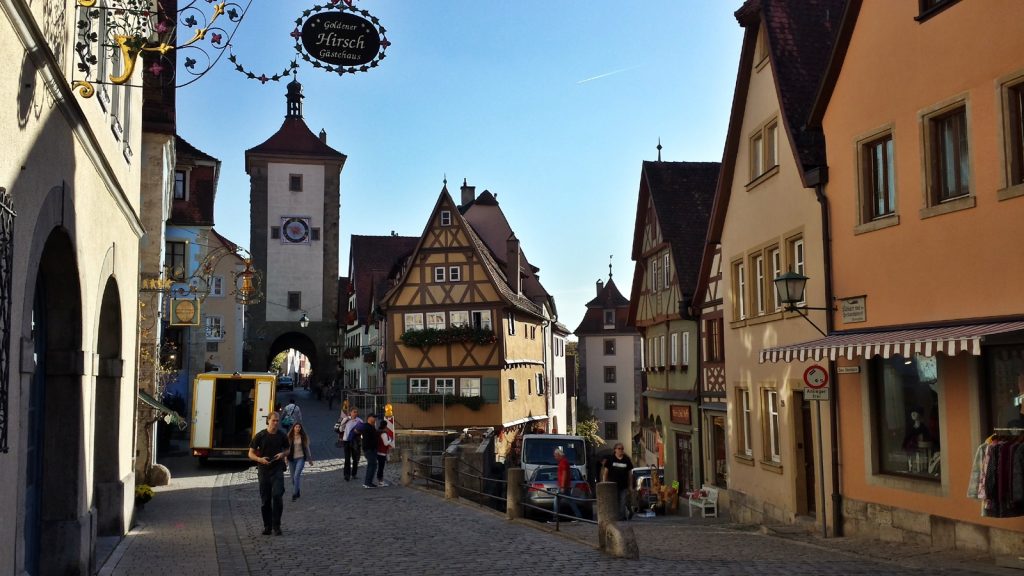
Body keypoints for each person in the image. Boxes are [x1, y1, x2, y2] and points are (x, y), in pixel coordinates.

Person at [248, 412, 289, 535]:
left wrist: (283, 454)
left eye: (277, 421)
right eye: (273, 420)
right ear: (268, 421)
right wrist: (259, 459)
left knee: (277, 496)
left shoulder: (282, 435)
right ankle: (267, 526)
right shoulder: (260, 436)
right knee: (265, 500)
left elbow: (288, 449)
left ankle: (277, 525)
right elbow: (250, 453)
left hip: (277, 469)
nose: (276, 423)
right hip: (264, 470)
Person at [601, 443, 634, 520]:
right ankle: (618, 515)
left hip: (624, 485)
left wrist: (630, 486)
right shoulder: (610, 459)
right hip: (613, 485)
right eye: (619, 449)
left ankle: (621, 517)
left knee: (623, 501)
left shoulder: (626, 459)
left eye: (622, 449)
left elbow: (630, 474)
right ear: (615, 450)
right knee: (615, 502)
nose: (621, 450)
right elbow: (605, 472)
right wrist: (604, 483)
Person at [287, 422, 314, 501]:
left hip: (300, 458)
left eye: (299, 427)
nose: (298, 428)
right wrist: (285, 458)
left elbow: (307, 448)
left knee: (296, 476)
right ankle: (297, 490)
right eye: (296, 427)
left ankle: (294, 494)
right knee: (292, 478)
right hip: (291, 459)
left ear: (301, 428)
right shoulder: (289, 437)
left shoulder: (303, 437)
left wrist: (310, 459)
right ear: (293, 428)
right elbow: (286, 449)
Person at [555, 447, 583, 521]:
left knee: (556, 501)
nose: (555, 457)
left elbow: (564, 474)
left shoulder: (563, 462)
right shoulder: (564, 462)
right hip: (564, 485)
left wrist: (563, 486)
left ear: (559, 455)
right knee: (571, 501)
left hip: (563, 486)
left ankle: (555, 518)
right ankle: (579, 516)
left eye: (555, 455)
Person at [355, 414, 379, 488]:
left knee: (372, 465)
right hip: (369, 449)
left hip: (372, 449)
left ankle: (368, 482)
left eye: (375, 418)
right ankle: (367, 483)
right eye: (373, 417)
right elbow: (357, 431)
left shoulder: (372, 427)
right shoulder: (366, 426)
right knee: (372, 465)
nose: (375, 419)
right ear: (369, 418)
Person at [340, 408, 363, 481]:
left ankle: (354, 474)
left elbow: (362, 431)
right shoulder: (346, 420)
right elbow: (340, 429)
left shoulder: (359, 421)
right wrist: (343, 423)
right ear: (350, 412)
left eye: (356, 412)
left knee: (355, 458)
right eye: (354, 412)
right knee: (347, 459)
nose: (355, 413)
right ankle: (346, 475)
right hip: (347, 441)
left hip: (355, 441)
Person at [375, 418, 395, 487]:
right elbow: (386, 443)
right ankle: (380, 481)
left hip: (378, 451)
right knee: (381, 467)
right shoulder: (383, 433)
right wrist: (391, 440)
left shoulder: (378, 432)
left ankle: (380, 480)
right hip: (382, 452)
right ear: (385, 426)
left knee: (380, 467)